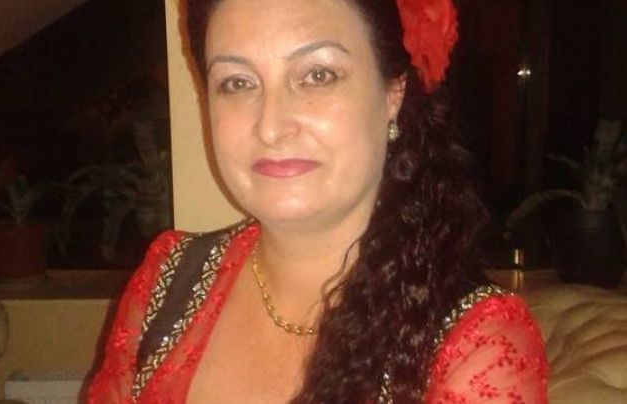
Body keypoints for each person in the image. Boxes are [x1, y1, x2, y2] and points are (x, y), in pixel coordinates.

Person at [87, 0, 549, 402]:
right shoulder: (168, 281)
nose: (271, 126)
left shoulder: (477, 344)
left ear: (394, 92)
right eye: (237, 83)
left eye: (317, 75)